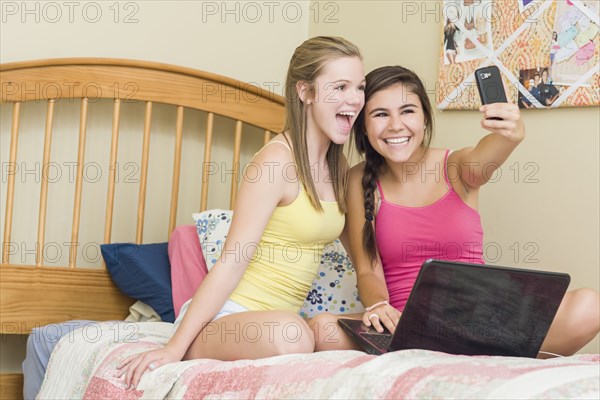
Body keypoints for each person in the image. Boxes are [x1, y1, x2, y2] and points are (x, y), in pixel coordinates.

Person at [115, 36, 366, 390]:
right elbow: (231, 262)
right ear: (305, 92)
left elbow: (363, 257)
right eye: (340, 86)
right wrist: (173, 349)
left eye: (360, 87)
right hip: (227, 319)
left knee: (349, 327)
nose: (354, 99)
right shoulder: (275, 162)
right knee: (294, 334)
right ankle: (192, 344)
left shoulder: (337, 169)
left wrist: (388, 308)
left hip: (278, 325)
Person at [317, 65, 599, 357]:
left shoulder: (457, 167)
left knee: (589, 305)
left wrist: (510, 134)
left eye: (407, 111)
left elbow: (491, 151)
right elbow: (367, 269)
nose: (395, 125)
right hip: (405, 330)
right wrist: (378, 306)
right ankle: (487, 355)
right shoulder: (357, 180)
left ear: (425, 118)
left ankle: (477, 350)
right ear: (363, 125)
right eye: (380, 114)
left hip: (481, 319)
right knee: (322, 329)